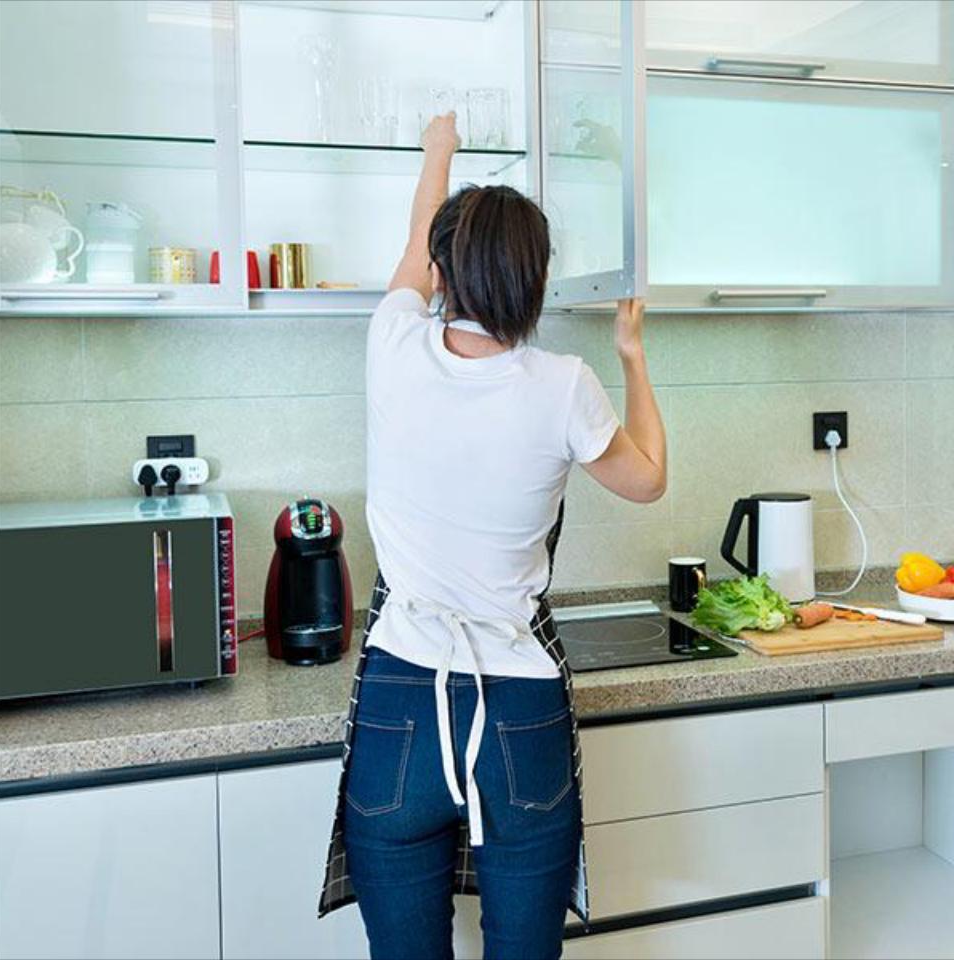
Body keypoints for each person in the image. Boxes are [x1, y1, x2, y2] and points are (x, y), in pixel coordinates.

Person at [317, 111, 666, 960]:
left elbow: (413, 249)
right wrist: (631, 355)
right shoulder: (565, 385)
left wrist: (439, 148)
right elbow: (649, 480)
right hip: (518, 705)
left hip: (403, 697)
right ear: (538, 281)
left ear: (442, 272)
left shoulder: (392, 343)